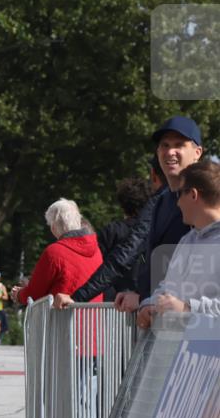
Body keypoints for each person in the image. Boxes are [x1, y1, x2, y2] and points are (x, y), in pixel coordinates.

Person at [55, 116, 203, 311]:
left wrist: (147, 298)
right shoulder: (159, 200)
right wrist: (78, 297)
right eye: (164, 145)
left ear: (197, 153)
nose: (170, 152)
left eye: (179, 145)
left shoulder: (209, 198)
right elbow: (125, 253)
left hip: (198, 321)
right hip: (160, 318)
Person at [136, 161, 220, 327]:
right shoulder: (186, 240)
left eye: (179, 194)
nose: (177, 202)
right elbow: (168, 287)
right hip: (180, 349)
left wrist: (186, 308)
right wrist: (150, 305)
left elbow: (181, 305)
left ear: (194, 195)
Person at [11, 199, 104, 306]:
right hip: (94, 319)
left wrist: (19, 294)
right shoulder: (97, 250)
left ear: (53, 227)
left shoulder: (54, 252)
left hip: (64, 319)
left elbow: (34, 294)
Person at [96, 178, 157, 301]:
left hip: (113, 304)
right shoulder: (156, 231)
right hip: (146, 299)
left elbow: (98, 268)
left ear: (122, 204)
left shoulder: (110, 231)